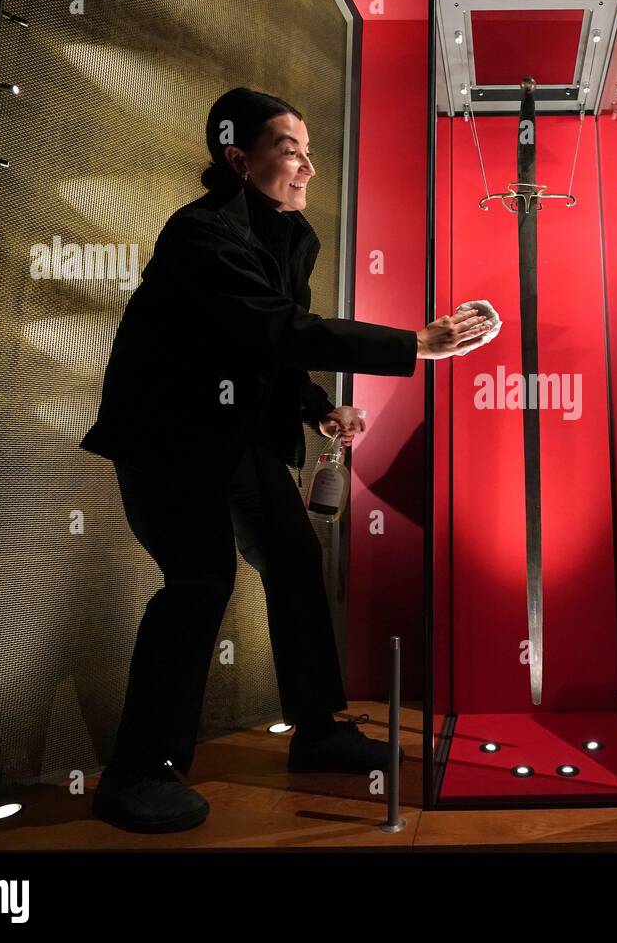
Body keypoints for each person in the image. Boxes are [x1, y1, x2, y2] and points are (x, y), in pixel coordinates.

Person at [80, 87, 495, 833]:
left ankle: (319, 730)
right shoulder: (199, 234)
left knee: (296, 561)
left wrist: (313, 406)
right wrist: (416, 344)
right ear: (239, 159)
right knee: (200, 578)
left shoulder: (287, 235)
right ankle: (136, 770)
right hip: (167, 439)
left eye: (308, 146)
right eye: (289, 147)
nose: (307, 162)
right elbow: (276, 327)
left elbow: (262, 351)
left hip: (234, 436)